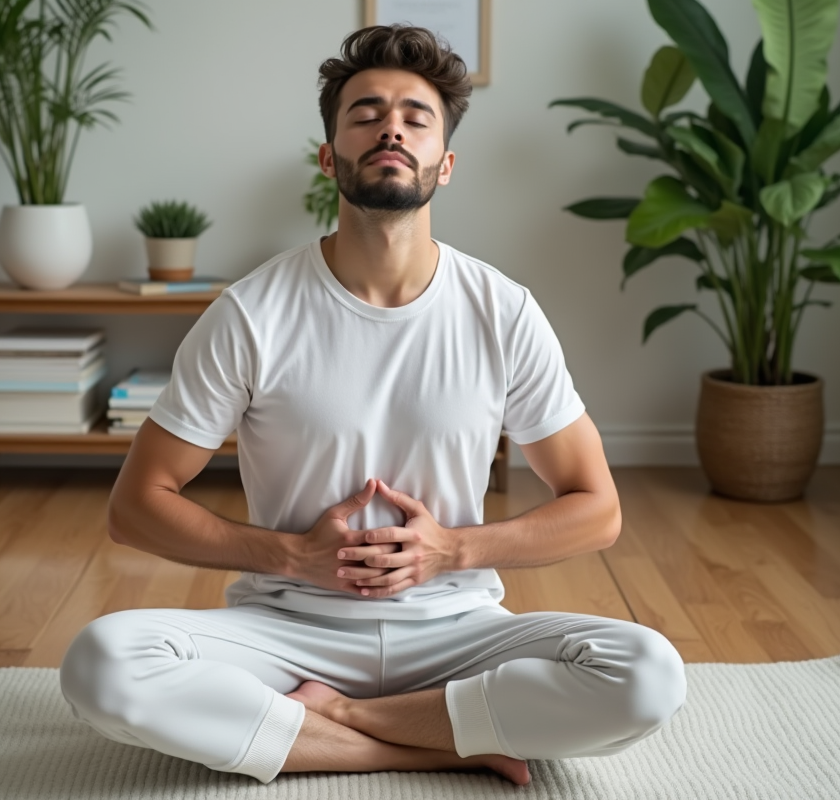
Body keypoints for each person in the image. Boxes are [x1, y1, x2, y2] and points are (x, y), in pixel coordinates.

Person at [59, 24, 686, 786]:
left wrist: (453, 551)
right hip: (287, 628)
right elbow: (136, 507)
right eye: (366, 113)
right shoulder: (252, 313)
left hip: (455, 630)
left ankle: (335, 719)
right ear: (329, 157)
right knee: (102, 663)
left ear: (445, 164)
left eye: (416, 118)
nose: (392, 127)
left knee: (647, 672)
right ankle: (442, 739)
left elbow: (598, 509)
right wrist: (293, 556)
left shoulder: (503, 311)